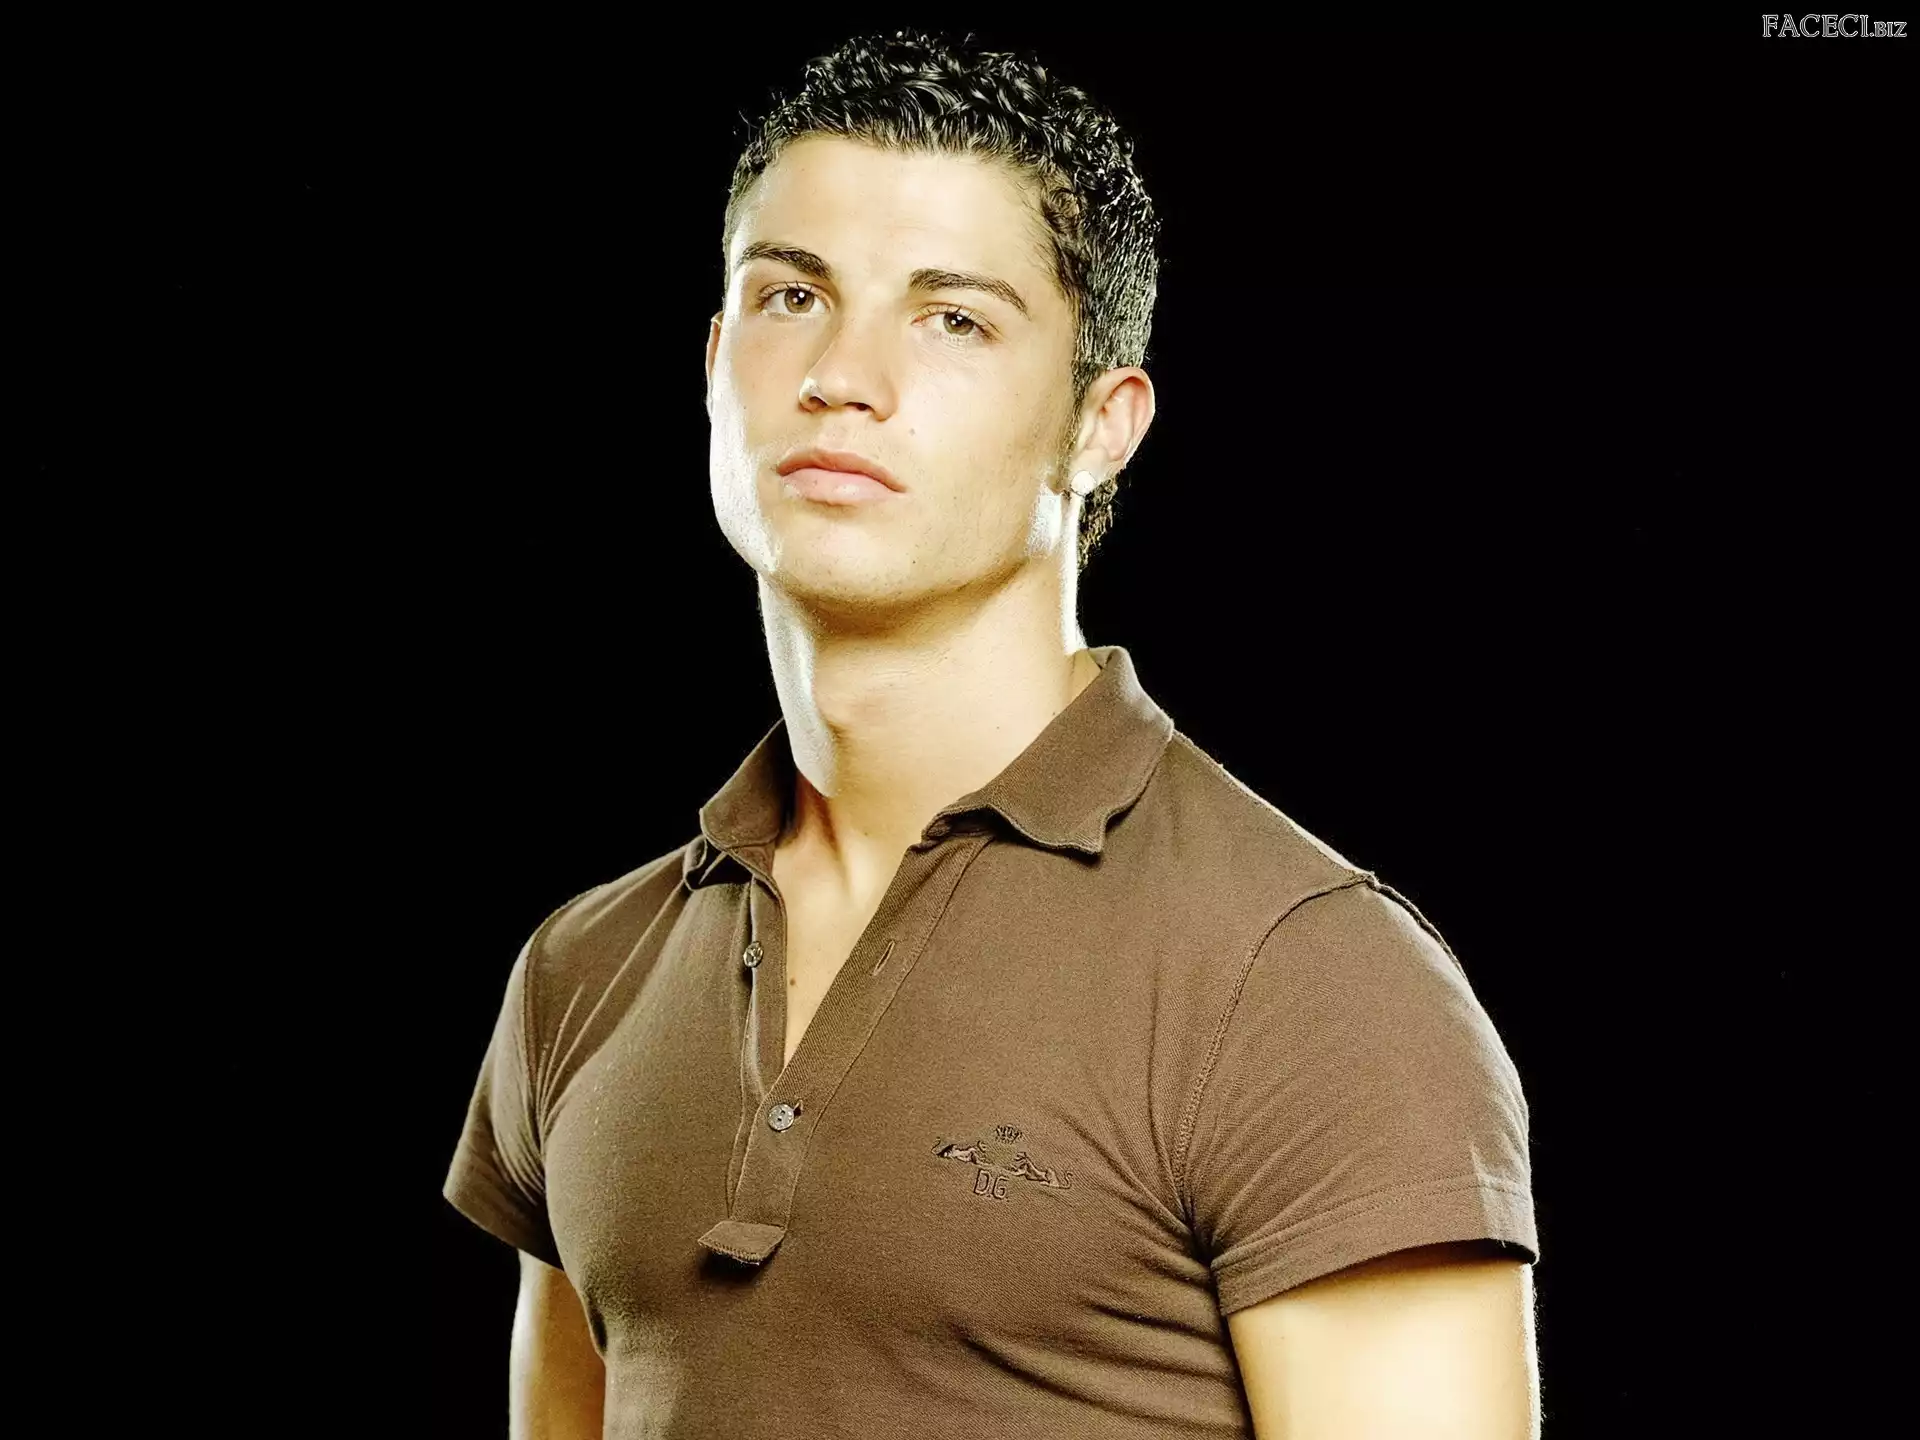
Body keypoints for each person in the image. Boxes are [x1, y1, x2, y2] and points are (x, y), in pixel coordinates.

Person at [444, 30, 1540, 1438]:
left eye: (952, 318)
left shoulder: (1304, 978)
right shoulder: (581, 971)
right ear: (716, 362)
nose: (842, 374)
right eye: (791, 295)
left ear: (1101, 425)